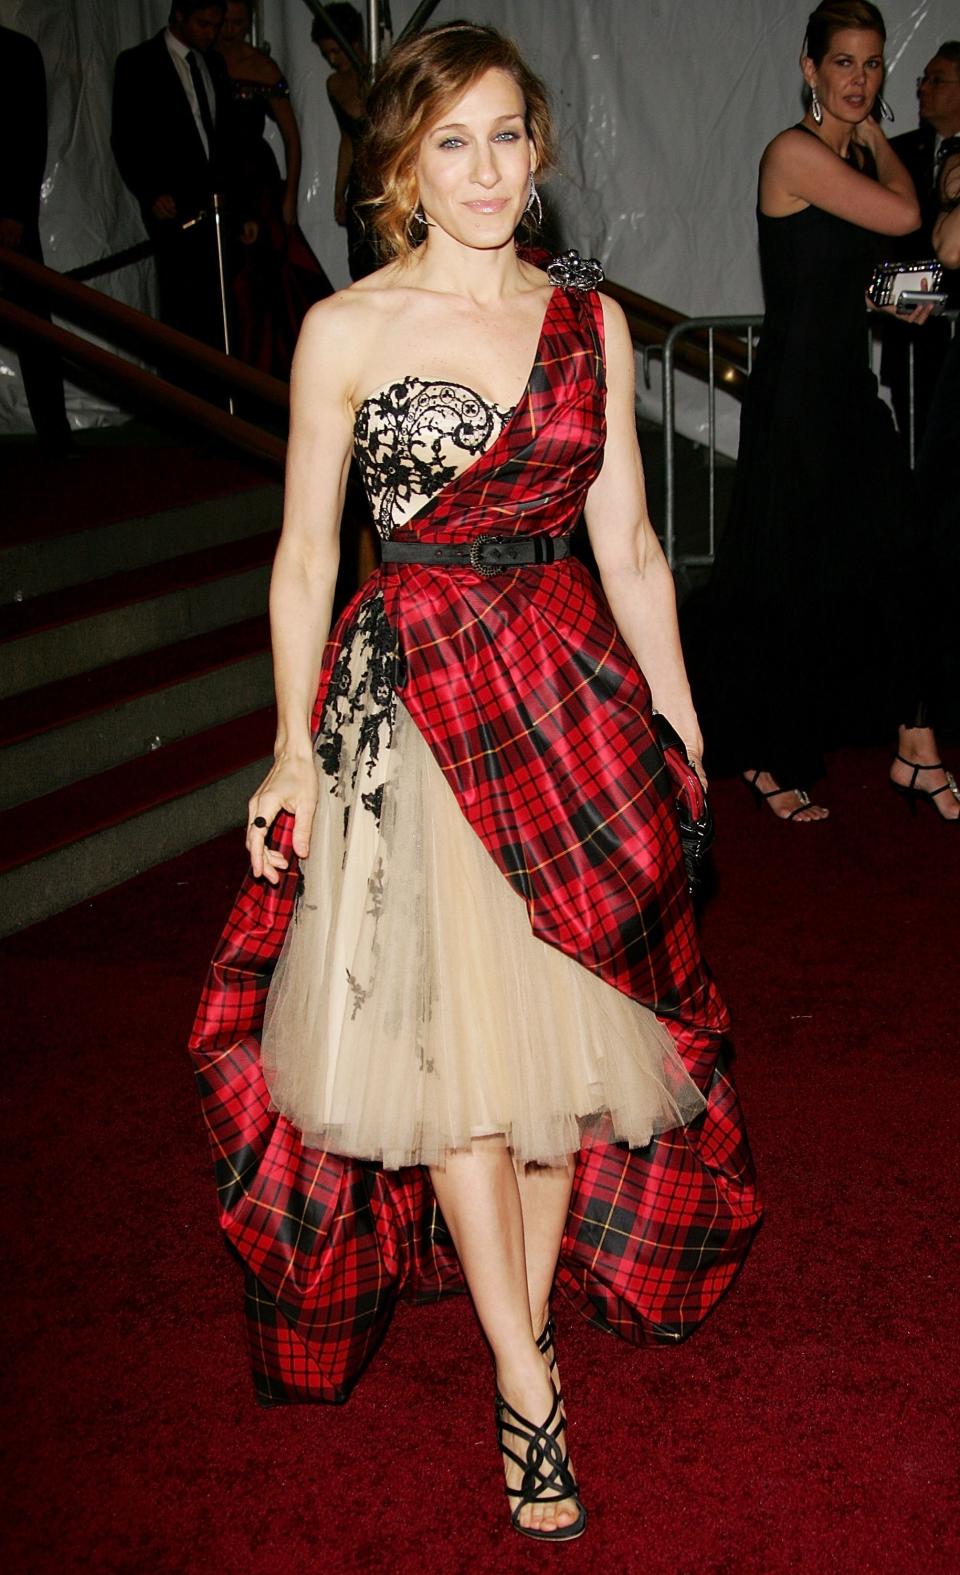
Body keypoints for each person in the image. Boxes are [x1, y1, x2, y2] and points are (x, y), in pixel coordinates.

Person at [189, 22, 761, 1543]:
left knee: (566, 1053)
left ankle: (527, 1333)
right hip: (417, 703)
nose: (487, 169)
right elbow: (308, 554)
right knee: (447, 1056)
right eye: (452, 141)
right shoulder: (347, 331)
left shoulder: (589, 321)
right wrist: (285, 742)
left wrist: (683, 711)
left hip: (566, 690)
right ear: (398, 164)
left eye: (509, 135)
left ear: (541, 151)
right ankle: (524, 1373)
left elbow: (629, 543)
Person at [682, 0, 959, 823]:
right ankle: (770, 753)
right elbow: (908, 218)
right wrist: (877, 136)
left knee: (900, 558)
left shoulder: (849, 163)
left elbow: (853, 279)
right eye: (844, 63)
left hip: (846, 392)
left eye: (872, 65)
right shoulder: (794, 154)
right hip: (798, 398)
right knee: (781, 583)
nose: (861, 80)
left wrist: (900, 296)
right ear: (810, 68)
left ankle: (914, 743)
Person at [111, 0, 257, 348]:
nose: (213, 33)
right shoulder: (138, 63)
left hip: (219, 212)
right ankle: (186, 396)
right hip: (177, 212)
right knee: (183, 319)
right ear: (179, 16)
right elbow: (126, 138)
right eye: (204, 24)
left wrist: (243, 209)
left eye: (216, 25)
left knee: (224, 317)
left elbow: (228, 142)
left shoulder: (213, 63)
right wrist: (149, 192)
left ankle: (221, 395)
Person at [215, 0, 333, 375]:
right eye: (225, 21)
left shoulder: (260, 66)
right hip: (216, 178)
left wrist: (290, 197)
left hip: (256, 179)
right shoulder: (200, 60)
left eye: (239, 21)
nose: (230, 29)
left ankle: (275, 370)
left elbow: (292, 138)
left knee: (270, 280)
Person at [880, 41, 960, 451]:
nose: (924, 88)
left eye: (938, 80)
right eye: (922, 79)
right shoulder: (896, 153)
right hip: (912, 341)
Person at [0, 25, 72, 456]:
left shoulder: (17, 51)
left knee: (32, 322)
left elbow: (29, 136)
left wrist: (15, 211)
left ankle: (55, 432)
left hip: (9, 216)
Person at [311, 2, 378, 280]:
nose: (333, 60)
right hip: (359, 187)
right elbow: (347, 139)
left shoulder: (383, 74)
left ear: (354, 41)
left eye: (337, 51)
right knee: (361, 265)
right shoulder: (334, 85)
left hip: (388, 180)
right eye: (327, 54)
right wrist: (339, 193)